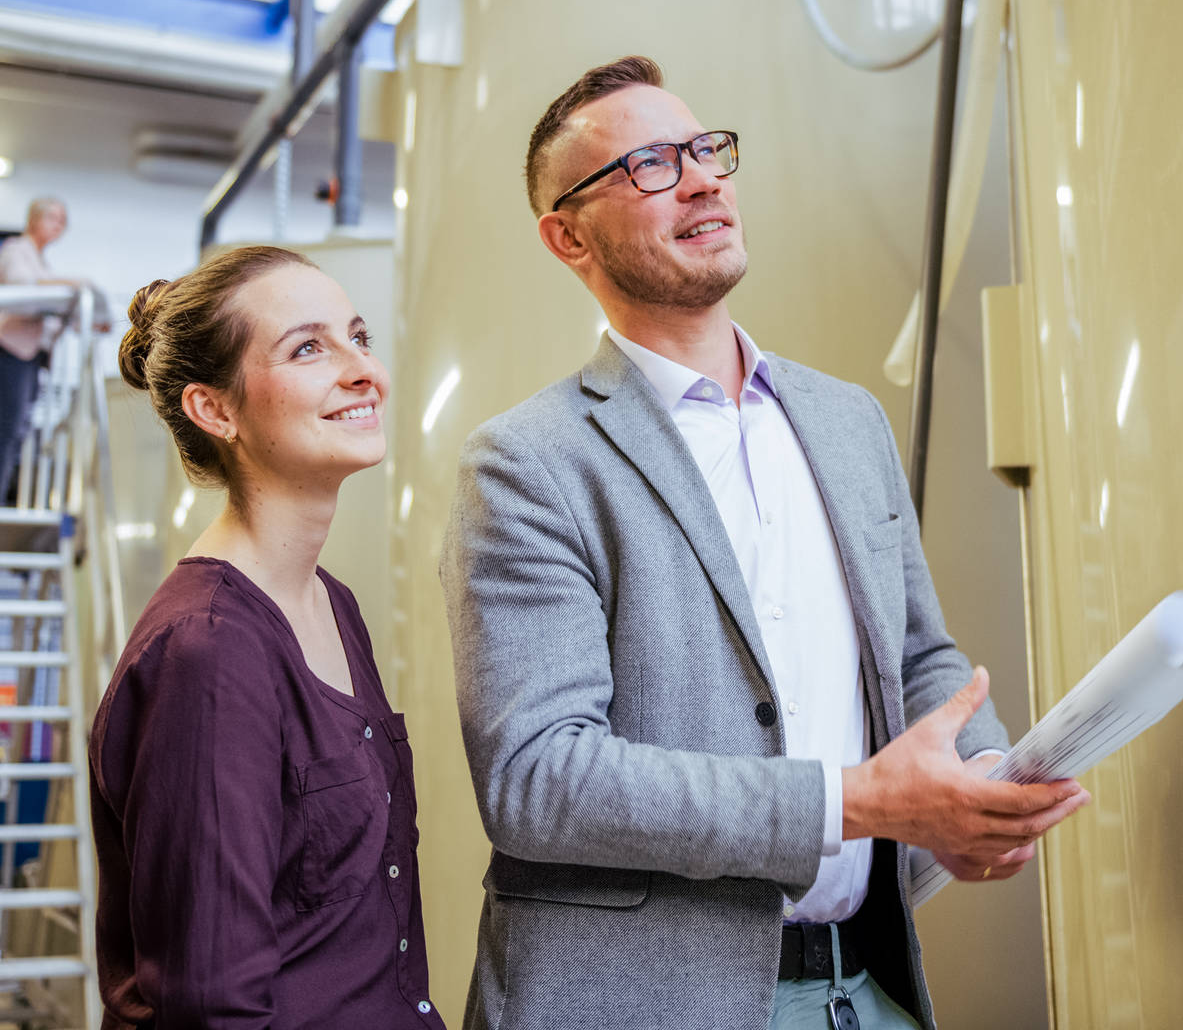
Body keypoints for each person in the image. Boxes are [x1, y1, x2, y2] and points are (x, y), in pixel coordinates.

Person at [442, 57, 1091, 1030]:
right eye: (651, 165)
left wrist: (980, 784)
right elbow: (539, 777)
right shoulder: (528, 461)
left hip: (862, 990)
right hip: (643, 1003)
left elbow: (918, 656)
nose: (703, 177)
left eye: (707, 149)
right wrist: (856, 799)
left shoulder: (845, 419)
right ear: (567, 234)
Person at [91, 246, 442, 1028]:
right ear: (215, 410)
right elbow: (210, 1003)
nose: (363, 372)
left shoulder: (331, 604)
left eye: (360, 337)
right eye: (309, 348)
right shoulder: (209, 651)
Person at [0, 196, 83, 505]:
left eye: (63, 220)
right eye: (53, 218)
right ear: (33, 220)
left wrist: (78, 319)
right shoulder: (16, 250)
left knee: (18, 431)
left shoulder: (40, 259)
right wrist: (71, 284)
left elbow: (45, 306)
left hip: (30, 357)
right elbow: (22, 287)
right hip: (11, 352)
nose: (59, 225)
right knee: (9, 430)